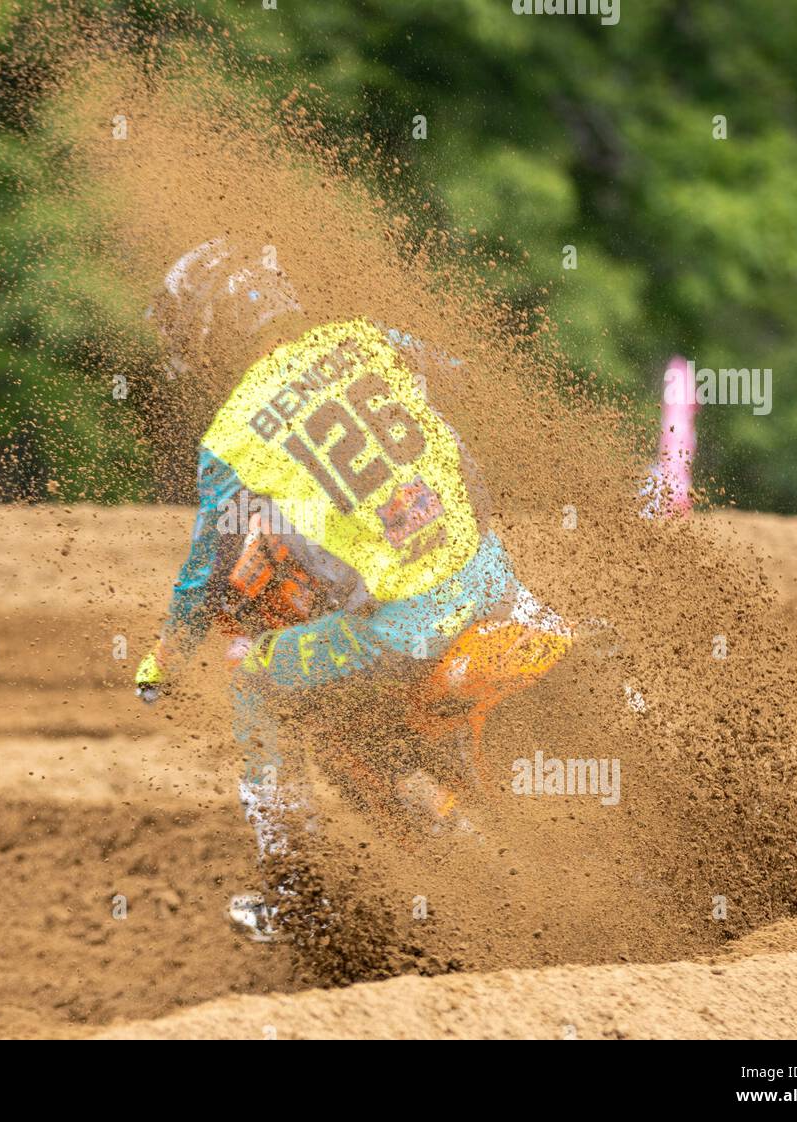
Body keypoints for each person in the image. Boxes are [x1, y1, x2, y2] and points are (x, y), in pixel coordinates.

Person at [134, 239, 571, 939]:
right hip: (489, 575)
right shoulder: (366, 341)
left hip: (402, 626)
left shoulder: (234, 434)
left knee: (253, 677)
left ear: (210, 335)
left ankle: (292, 891)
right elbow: (462, 377)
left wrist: (163, 662)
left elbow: (204, 572)